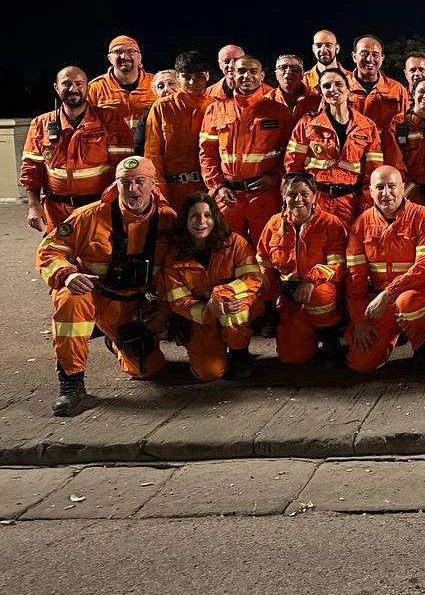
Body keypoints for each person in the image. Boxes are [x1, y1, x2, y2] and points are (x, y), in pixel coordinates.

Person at [36, 156, 176, 415]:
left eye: (139, 182)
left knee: (147, 370)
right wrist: (66, 276)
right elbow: (50, 250)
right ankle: (71, 385)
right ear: (116, 185)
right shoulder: (90, 216)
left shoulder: (168, 220)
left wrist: (165, 309)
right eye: (125, 182)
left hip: (131, 305)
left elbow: (178, 270)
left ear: (153, 184)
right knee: (70, 300)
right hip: (93, 295)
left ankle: (115, 340)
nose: (133, 189)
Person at [344, 166, 425, 373]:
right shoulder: (361, 224)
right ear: (370, 191)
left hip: (418, 292)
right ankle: (396, 331)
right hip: (381, 299)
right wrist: (359, 320)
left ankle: (423, 347)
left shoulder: (423, 217)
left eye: (391, 186)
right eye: (379, 187)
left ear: (403, 188)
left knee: (407, 304)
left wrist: (389, 293)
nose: (386, 193)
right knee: (360, 363)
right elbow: (356, 277)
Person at [158, 192, 261, 381]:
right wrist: (208, 310)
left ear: (215, 218)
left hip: (233, 305)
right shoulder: (174, 255)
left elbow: (253, 278)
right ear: (185, 220)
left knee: (233, 304)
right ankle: (213, 346)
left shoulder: (235, 243)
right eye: (194, 216)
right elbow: (177, 300)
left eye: (207, 215)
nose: (201, 221)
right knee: (209, 372)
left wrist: (222, 295)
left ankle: (240, 355)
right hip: (201, 315)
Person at [23, 66, 133, 232]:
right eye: (66, 84)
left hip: (97, 209)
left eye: (79, 83)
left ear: (87, 86)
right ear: (56, 87)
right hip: (57, 213)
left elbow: (122, 169)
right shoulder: (40, 124)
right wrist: (33, 205)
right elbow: (31, 169)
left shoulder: (109, 120)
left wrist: (118, 206)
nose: (73, 89)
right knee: (56, 255)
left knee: (98, 255)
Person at [200, 55, 294, 243]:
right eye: (241, 71)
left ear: (262, 76)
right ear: (232, 74)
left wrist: (275, 176)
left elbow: (291, 154)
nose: (247, 76)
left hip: (265, 195)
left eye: (253, 71)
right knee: (225, 249)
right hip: (228, 196)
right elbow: (207, 154)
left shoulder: (279, 112)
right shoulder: (215, 110)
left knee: (269, 249)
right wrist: (217, 187)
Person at [256, 172, 348, 365]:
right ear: (283, 196)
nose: (298, 199)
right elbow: (263, 261)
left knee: (319, 296)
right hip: (290, 294)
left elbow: (337, 265)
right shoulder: (274, 224)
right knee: (292, 357)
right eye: (292, 194)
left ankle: (329, 336)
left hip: (322, 289)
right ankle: (308, 336)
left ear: (314, 195)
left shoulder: (330, 223)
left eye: (304, 194)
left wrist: (310, 280)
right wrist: (270, 299)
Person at [284, 69, 383, 224]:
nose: (333, 90)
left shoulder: (367, 126)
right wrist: (299, 202)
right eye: (327, 86)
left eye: (338, 84)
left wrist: (366, 204)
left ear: (348, 88)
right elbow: (293, 167)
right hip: (315, 201)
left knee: (346, 247)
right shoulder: (307, 124)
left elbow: (373, 171)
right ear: (321, 92)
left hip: (350, 203)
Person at [145, 51, 214, 208]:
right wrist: (160, 194)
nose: (192, 82)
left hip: (207, 188)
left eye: (198, 77)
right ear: (178, 78)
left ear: (207, 76)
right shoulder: (162, 107)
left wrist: (216, 188)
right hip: (173, 189)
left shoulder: (216, 107)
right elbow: (153, 154)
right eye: (186, 77)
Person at [384, 77, 425, 230]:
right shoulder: (399, 124)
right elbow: (394, 160)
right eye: (421, 91)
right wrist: (407, 189)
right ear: (413, 94)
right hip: (408, 196)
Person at [88, 35, 156, 132]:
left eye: (131, 51)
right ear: (110, 58)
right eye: (118, 52)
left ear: (139, 57)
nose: (124, 56)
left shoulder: (157, 84)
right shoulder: (95, 88)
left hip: (147, 147)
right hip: (111, 147)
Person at [348, 34, 410, 133]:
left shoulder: (397, 90)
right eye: (364, 53)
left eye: (375, 54)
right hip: (351, 148)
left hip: (386, 148)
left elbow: (406, 128)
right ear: (354, 56)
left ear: (382, 58)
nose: (369, 59)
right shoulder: (340, 88)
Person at [133, 68, 179, 155]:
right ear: (156, 93)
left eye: (172, 84)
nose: (167, 89)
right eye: (160, 86)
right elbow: (138, 148)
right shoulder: (147, 116)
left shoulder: (194, 110)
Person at [268, 54, 321, 123]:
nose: (288, 72)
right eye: (283, 68)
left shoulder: (317, 100)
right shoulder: (266, 102)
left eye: (295, 68)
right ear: (276, 74)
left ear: (302, 74)